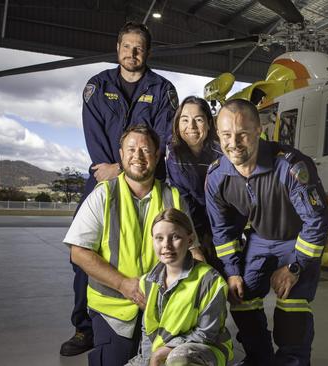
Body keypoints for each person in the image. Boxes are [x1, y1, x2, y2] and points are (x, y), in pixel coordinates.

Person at [61, 21, 179, 356]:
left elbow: (161, 138)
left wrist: (134, 166)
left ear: (148, 52)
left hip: (147, 176)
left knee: (157, 247)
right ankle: (84, 328)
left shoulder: (163, 89)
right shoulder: (97, 87)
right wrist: (111, 169)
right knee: (84, 255)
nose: (132, 53)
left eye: (139, 47)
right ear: (117, 49)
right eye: (127, 46)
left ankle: (151, 315)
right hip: (103, 175)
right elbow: (93, 133)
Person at [205, 99, 328, 366]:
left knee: (291, 306)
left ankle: (292, 361)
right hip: (260, 239)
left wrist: (296, 266)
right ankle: (259, 358)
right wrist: (232, 271)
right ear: (218, 134)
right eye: (226, 135)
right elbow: (222, 231)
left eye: (242, 133)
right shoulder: (217, 177)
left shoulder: (291, 166)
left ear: (259, 130)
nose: (234, 143)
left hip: (298, 239)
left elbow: (318, 220)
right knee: (241, 297)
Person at [64, 125, 202, 366]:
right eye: (131, 149)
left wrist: (206, 290)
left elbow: (193, 251)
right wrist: (123, 284)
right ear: (121, 154)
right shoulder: (102, 195)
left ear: (157, 155)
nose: (138, 156)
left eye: (146, 150)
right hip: (113, 310)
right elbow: (79, 252)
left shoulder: (174, 198)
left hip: (164, 310)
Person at [126, 208, 233, 366]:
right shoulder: (148, 282)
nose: (166, 245)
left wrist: (164, 351)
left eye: (175, 237)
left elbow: (207, 334)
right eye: (159, 238)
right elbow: (148, 331)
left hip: (203, 350)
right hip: (161, 351)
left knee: (179, 359)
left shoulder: (210, 280)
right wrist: (149, 360)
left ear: (190, 240)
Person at [165, 96, 222, 269]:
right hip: (187, 226)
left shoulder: (221, 151)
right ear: (177, 124)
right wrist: (197, 239)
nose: (192, 126)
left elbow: (224, 197)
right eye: (185, 120)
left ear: (209, 123)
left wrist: (213, 234)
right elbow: (185, 200)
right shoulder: (173, 155)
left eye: (198, 119)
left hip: (219, 225)